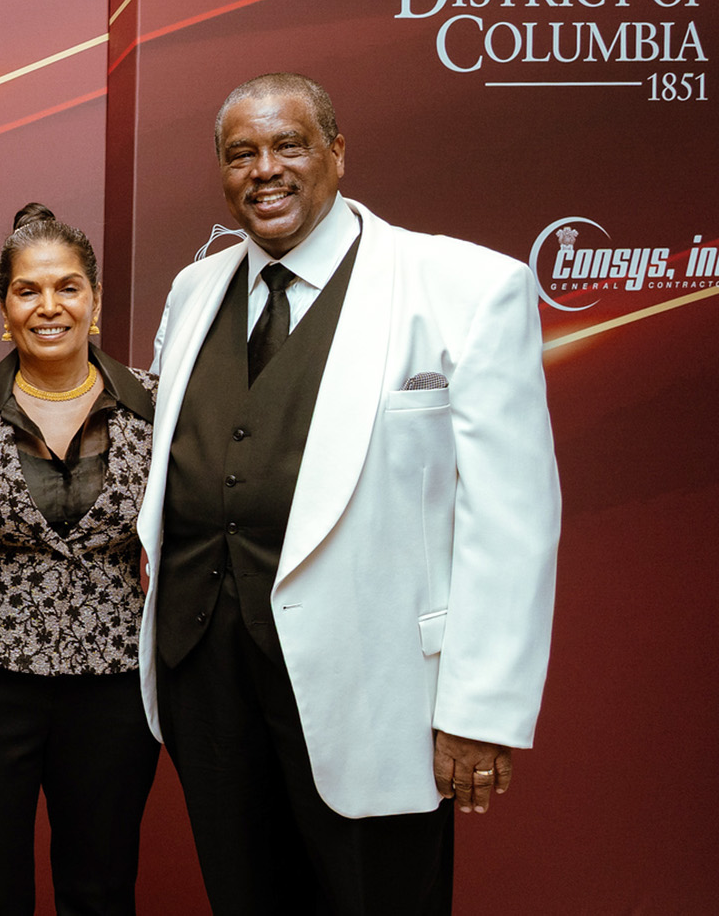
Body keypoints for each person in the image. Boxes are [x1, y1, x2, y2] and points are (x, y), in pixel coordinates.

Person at [139, 73, 561, 914]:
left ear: (337, 151)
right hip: (208, 681)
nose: (265, 170)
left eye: (289, 146)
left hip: (378, 692)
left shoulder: (466, 287)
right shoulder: (195, 291)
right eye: (242, 154)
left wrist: (481, 709)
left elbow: (513, 522)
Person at [0, 203, 160, 915]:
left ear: (94, 300)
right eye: (28, 290)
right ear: (4, 307)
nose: (49, 305)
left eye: (67, 287)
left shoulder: (154, 402)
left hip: (117, 685)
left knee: (101, 885)